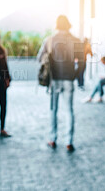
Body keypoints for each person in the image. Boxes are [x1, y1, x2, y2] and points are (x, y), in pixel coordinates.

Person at [37, 15, 82, 152]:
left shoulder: (49, 40)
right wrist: (74, 75)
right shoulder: (75, 40)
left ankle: (53, 139)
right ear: (68, 25)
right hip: (69, 79)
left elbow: (40, 58)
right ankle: (69, 142)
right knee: (69, 110)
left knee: (54, 110)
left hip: (54, 80)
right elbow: (82, 62)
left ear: (57, 25)